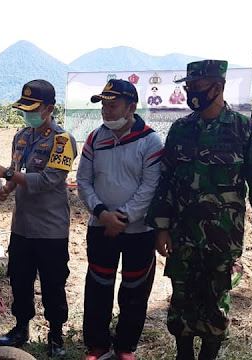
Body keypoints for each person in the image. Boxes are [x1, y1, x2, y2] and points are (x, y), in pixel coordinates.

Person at [145, 60, 252, 360]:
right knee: (181, 300)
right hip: (182, 235)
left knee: (215, 301)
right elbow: (166, 181)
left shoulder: (246, 130)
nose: (191, 94)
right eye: (188, 89)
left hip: (222, 238)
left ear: (217, 88)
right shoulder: (180, 130)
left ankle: (209, 355)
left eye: (196, 88)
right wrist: (161, 227)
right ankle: (182, 354)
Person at [0, 79, 77, 357]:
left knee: (53, 283)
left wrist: (7, 176)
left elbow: (49, 180)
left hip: (50, 228)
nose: (28, 114)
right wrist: (6, 189)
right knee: (20, 280)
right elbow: (16, 170)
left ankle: (56, 336)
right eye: (24, 108)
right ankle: (20, 327)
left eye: (33, 108)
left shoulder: (62, 141)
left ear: (49, 108)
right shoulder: (21, 136)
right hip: (22, 226)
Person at [76, 79, 163, 360]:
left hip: (138, 230)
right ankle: (97, 344)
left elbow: (150, 187)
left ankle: (125, 346)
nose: (106, 111)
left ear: (131, 107)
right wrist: (102, 213)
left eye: (113, 106)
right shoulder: (94, 138)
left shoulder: (150, 141)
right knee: (98, 286)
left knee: (135, 289)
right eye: (104, 105)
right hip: (100, 226)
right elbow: (83, 182)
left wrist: (122, 218)